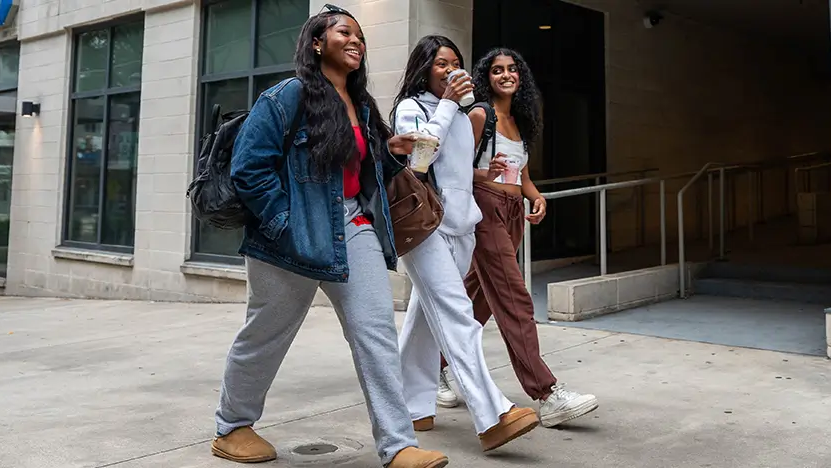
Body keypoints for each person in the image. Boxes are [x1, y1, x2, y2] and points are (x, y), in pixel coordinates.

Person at [213, 5, 447, 468]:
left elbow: (361, 172)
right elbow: (249, 169)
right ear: (317, 43)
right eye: (345, 32)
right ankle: (232, 425)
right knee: (266, 333)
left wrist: (390, 151)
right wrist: (285, 225)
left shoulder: (360, 105)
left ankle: (399, 446)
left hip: (353, 228)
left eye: (360, 34)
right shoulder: (287, 96)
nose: (356, 40)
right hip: (289, 234)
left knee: (376, 332)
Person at [435, 48, 599, 429]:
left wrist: (536, 196)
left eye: (511, 69)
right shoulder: (480, 115)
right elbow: (450, 169)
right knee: (515, 299)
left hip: (512, 216)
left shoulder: (520, 122)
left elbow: (521, 177)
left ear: (519, 76)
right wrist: (483, 176)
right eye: (497, 70)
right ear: (486, 77)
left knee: (480, 300)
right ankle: (546, 393)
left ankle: (438, 366)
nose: (505, 75)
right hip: (486, 211)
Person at [391, 35, 540, 452]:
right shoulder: (413, 108)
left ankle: (412, 405)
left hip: (463, 228)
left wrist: (484, 174)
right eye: (441, 63)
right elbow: (419, 160)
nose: (451, 70)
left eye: (456, 62)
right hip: (425, 228)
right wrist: (445, 108)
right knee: (458, 316)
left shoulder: (458, 113)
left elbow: (459, 174)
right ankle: (492, 414)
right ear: (424, 68)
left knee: (424, 320)